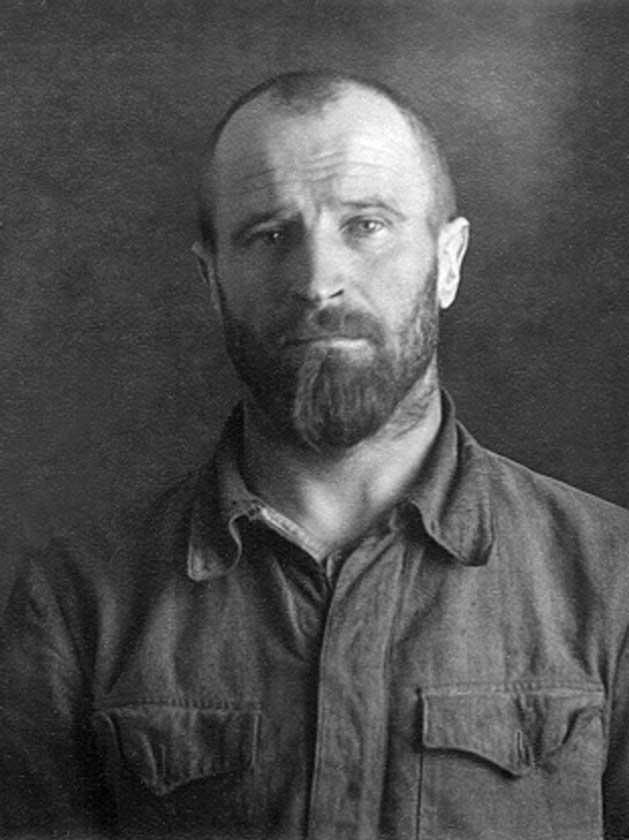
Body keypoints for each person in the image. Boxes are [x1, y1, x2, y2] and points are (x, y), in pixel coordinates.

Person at [1, 69, 628, 840]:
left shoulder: (613, 584)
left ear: (449, 261)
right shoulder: (77, 604)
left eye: (365, 225)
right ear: (212, 280)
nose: (317, 280)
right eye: (268, 235)